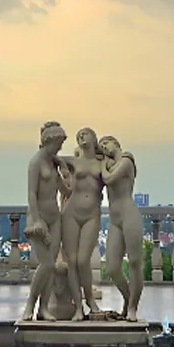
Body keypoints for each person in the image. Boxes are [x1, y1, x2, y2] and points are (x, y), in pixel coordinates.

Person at [21, 121, 70, 322]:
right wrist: (36, 220)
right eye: (58, 143)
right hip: (39, 218)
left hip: (55, 217)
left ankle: (43, 308)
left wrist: (65, 169)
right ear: (49, 141)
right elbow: (31, 194)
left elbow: (66, 191)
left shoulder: (53, 163)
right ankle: (30, 305)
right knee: (47, 264)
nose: (60, 147)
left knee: (50, 267)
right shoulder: (35, 163)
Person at [59, 126, 107, 320]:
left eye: (85, 134)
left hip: (91, 214)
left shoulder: (101, 163)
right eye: (79, 136)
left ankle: (90, 300)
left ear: (94, 139)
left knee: (82, 260)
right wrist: (62, 170)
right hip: (71, 213)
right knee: (71, 262)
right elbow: (51, 158)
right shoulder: (73, 161)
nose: (82, 137)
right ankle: (78, 306)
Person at [98, 134, 144, 321]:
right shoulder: (108, 165)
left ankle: (132, 307)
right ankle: (127, 298)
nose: (103, 148)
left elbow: (108, 179)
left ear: (115, 143)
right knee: (112, 267)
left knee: (134, 263)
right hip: (115, 220)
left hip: (129, 216)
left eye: (105, 144)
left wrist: (101, 164)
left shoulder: (126, 161)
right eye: (100, 146)